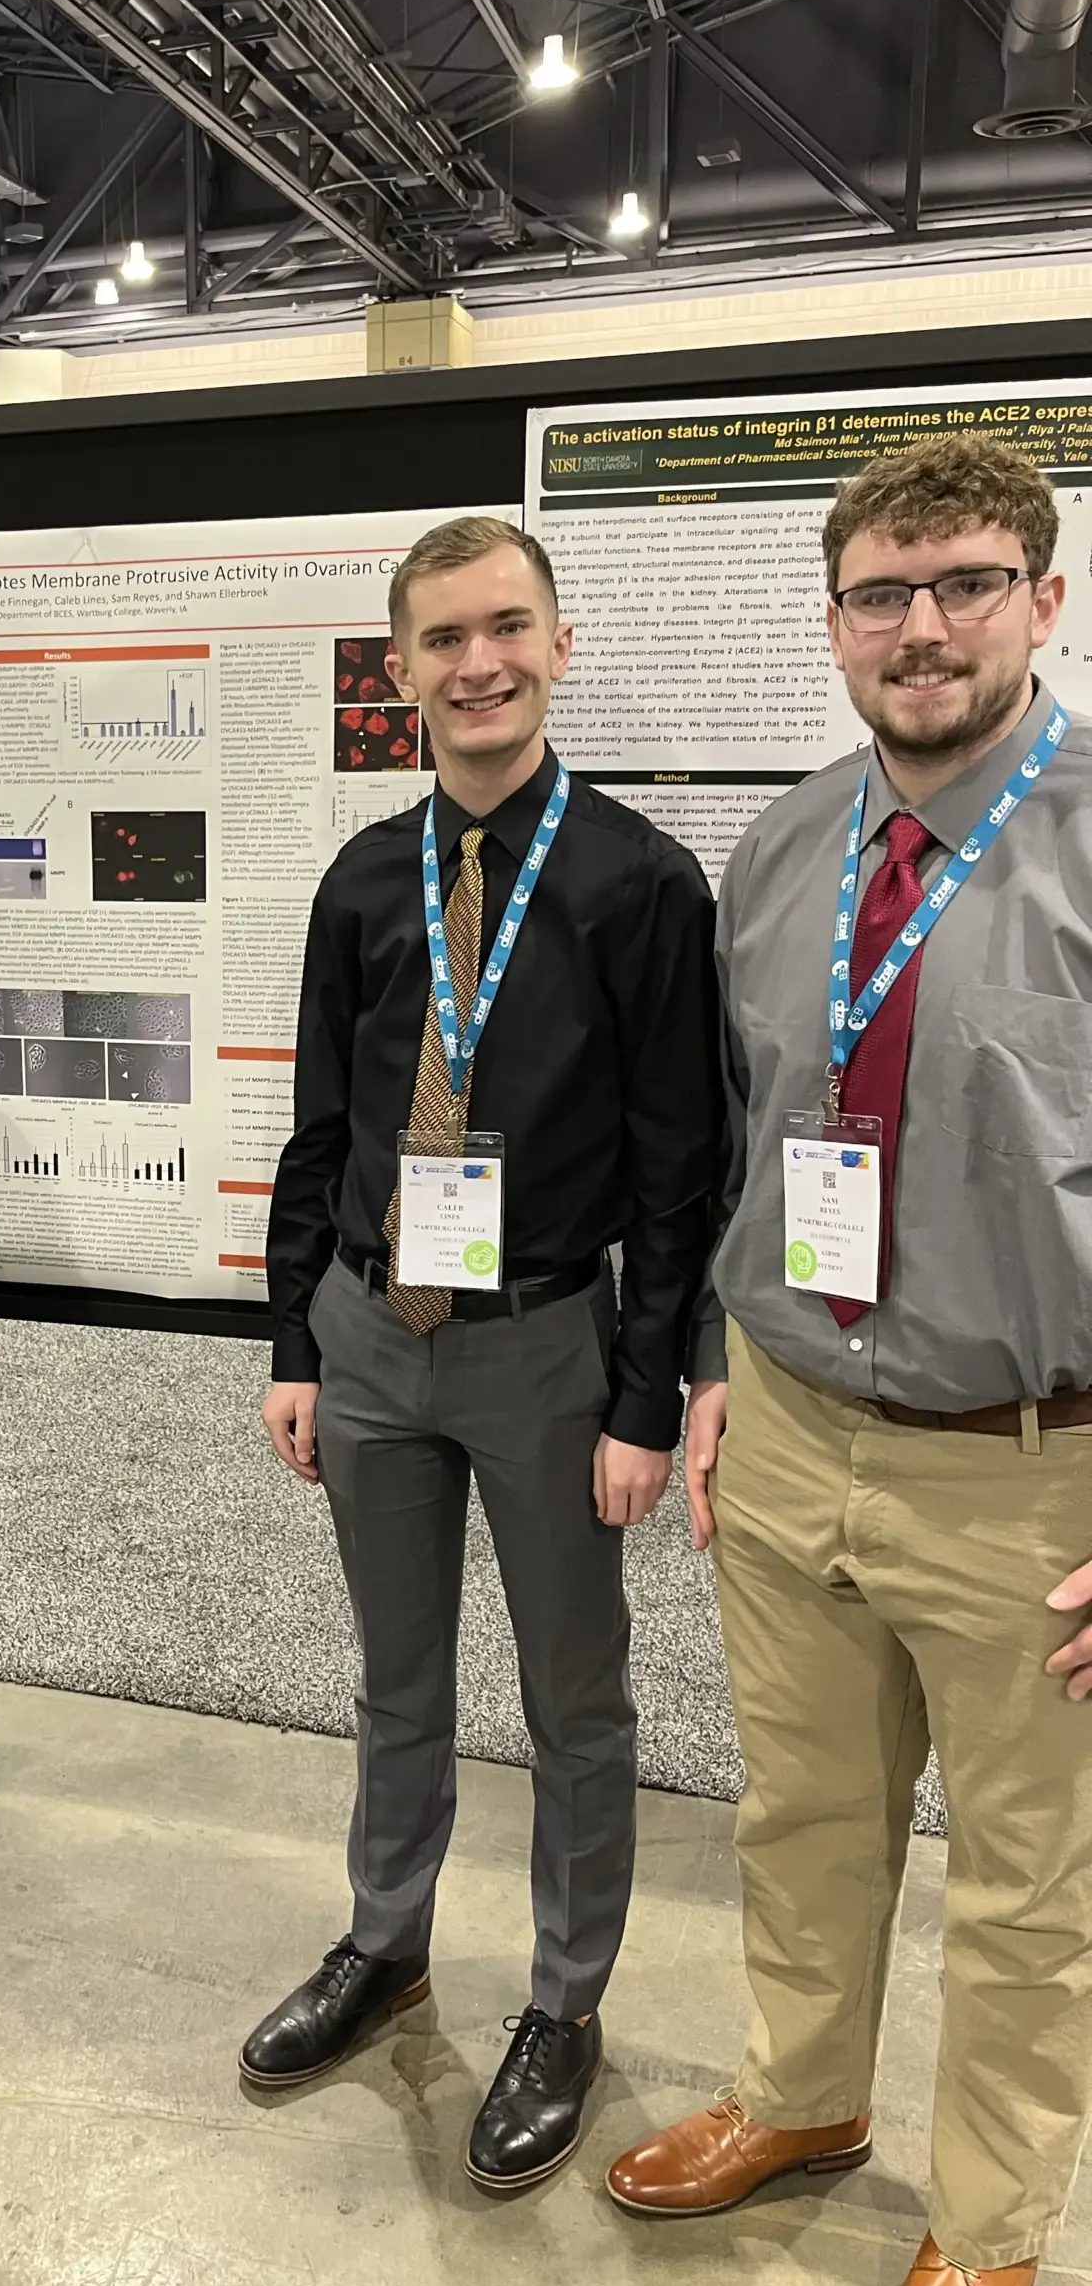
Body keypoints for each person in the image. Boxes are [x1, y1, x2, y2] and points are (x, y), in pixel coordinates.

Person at [607, 436, 1092, 2286]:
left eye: (967, 581)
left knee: (1027, 1880)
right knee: (800, 1815)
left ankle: (987, 2224)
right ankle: (803, 2097)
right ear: (832, 625)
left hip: (1030, 1461)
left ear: (1044, 602)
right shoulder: (787, 847)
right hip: (800, 1417)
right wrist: (725, 1367)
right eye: (884, 593)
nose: (923, 625)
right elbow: (751, 1138)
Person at [248, 514, 720, 2189]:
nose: (479, 662)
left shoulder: (640, 882)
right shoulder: (366, 878)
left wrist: (647, 1393)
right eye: (442, 639)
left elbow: (683, 1166)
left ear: (559, 644)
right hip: (373, 1335)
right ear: (400, 673)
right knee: (396, 1680)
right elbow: (322, 1122)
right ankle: (387, 1944)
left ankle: (568, 2002)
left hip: (546, 1351)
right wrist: (297, 1332)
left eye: (506, 626)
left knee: (575, 1701)